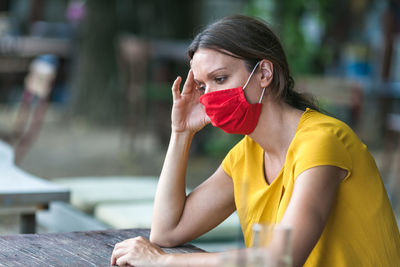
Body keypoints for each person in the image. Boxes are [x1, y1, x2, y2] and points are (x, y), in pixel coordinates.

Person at [111, 15, 400, 267]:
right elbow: (167, 230)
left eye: (220, 79)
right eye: (202, 86)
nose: (208, 96)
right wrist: (181, 133)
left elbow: (280, 259)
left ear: (263, 73)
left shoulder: (322, 141)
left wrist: (164, 261)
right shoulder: (245, 156)